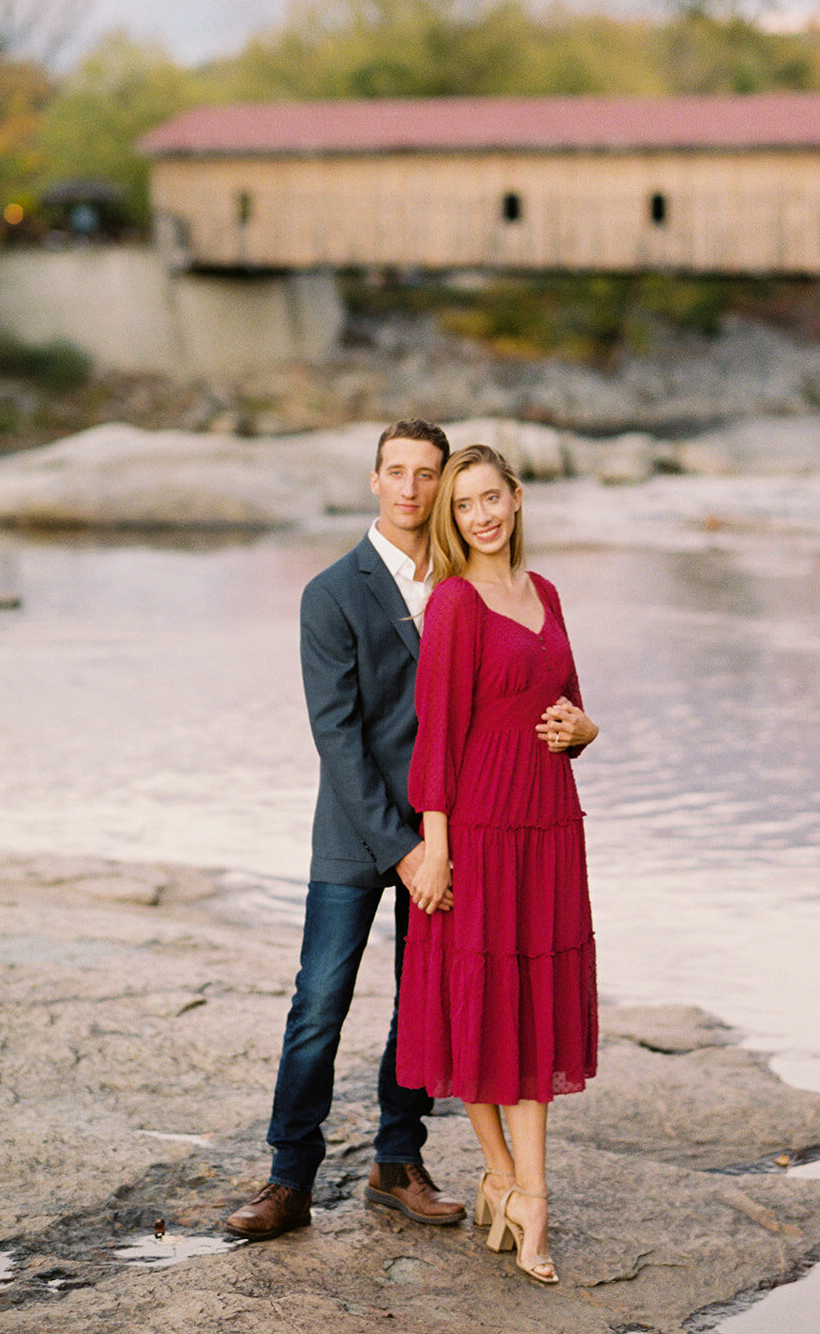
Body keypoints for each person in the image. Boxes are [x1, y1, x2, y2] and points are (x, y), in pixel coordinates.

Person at [226, 419, 466, 1240]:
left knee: (420, 1003)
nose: (409, 488)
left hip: (447, 833)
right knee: (319, 1003)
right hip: (356, 834)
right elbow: (337, 735)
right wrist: (401, 848)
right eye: (395, 472)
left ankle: (397, 1163)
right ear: (373, 481)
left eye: (425, 474)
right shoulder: (331, 591)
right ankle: (289, 1178)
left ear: (443, 483)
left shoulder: (465, 586)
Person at [395, 443, 599, 1284]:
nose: (480, 515)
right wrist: (434, 849)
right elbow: (436, 735)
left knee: (536, 1003)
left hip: (549, 825)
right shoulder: (453, 603)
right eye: (465, 505)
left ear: (515, 499)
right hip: (477, 830)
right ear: (454, 519)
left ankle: (528, 1194)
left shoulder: (544, 592)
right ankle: (509, 1182)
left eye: (491, 498)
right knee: (478, 1000)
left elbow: (571, 703)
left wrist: (587, 733)